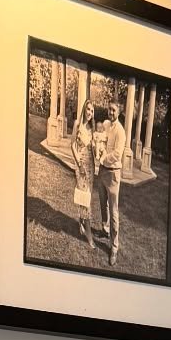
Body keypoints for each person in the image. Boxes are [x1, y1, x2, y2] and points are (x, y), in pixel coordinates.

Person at [94, 95, 128, 267]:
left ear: (119, 111)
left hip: (113, 173)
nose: (111, 112)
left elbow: (116, 154)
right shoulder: (106, 124)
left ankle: (114, 246)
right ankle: (105, 230)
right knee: (102, 204)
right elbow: (100, 137)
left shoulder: (121, 131)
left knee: (114, 212)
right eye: (109, 109)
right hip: (102, 171)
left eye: (114, 109)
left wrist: (103, 158)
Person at [70, 97, 98, 250]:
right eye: (88, 109)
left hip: (91, 167)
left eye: (92, 111)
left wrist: (96, 147)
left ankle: (81, 222)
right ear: (84, 109)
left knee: (85, 197)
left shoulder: (92, 130)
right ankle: (88, 233)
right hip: (81, 167)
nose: (90, 113)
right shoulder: (77, 124)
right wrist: (79, 165)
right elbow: (72, 145)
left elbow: (94, 151)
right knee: (85, 198)